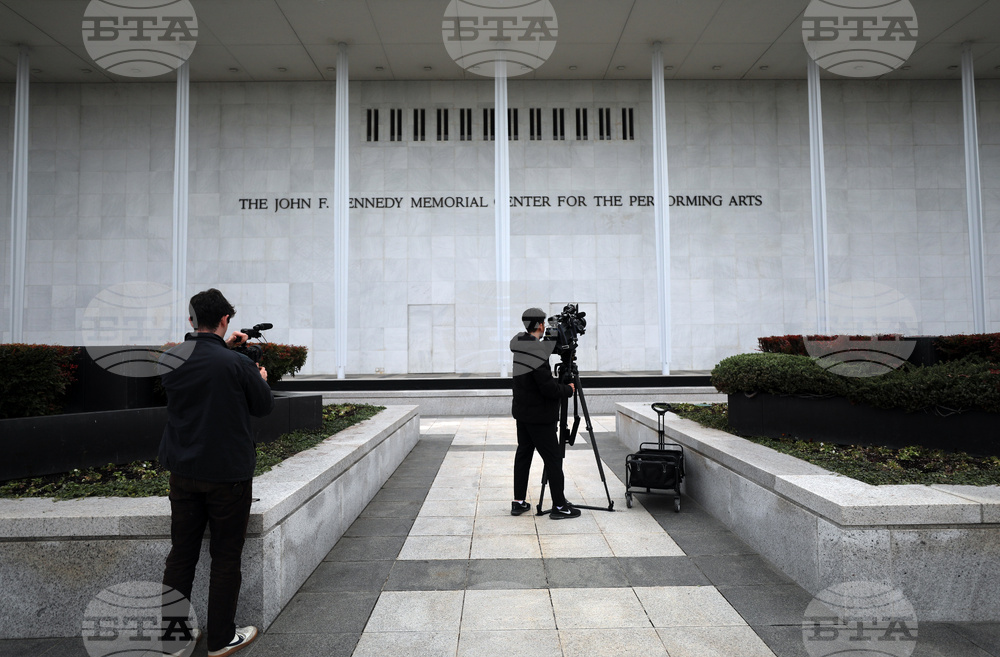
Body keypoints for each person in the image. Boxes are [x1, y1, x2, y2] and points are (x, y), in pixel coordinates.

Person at [158, 288, 274, 657]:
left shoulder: (171, 359)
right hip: (227, 474)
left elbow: (201, 368)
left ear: (191, 320)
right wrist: (259, 375)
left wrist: (225, 347)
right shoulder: (237, 364)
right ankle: (221, 639)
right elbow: (263, 406)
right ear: (225, 320)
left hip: (183, 470)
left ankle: (173, 637)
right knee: (225, 557)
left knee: (181, 554)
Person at [509, 307, 581, 519]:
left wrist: (553, 334)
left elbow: (541, 353)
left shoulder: (522, 344)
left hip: (523, 413)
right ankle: (559, 506)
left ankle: (518, 502)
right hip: (539, 416)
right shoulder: (537, 352)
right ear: (540, 325)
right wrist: (567, 389)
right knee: (553, 459)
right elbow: (548, 388)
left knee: (523, 456)